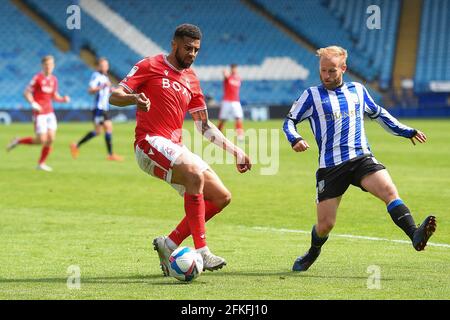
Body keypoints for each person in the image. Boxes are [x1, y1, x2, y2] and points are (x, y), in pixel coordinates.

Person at [109, 24, 251, 274]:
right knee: (195, 174)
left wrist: (235, 151)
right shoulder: (148, 65)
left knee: (221, 197)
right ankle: (203, 251)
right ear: (174, 44)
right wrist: (133, 99)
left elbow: (205, 126)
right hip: (149, 143)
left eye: (196, 50)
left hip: (174, 146)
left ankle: (170, 243)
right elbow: (115, 95)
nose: (192, 54)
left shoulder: (192, 80)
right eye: (188, 48)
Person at [282, 46, 437, 272]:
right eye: (323, 70)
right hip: (331, 167)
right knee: (326, 225)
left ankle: (415, 234)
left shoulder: (358, 91)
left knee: (389, 191)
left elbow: (379, 114)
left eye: (332, 71)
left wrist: (407, 131)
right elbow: (289, 121)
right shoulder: (311, 96)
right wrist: (294, 138)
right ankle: (312, 253)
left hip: (360, 158)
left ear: (343, 68)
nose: (326, 76)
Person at [7, 55, 70, 171]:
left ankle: (41, 163)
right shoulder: (37, 78)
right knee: (41, 140)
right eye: (46, 65)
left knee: (51, 139)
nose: (49, 67)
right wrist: (33, 103)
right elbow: (26, 92)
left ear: (54, 66)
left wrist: (63, 99)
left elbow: (54, 95)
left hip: (50, 112)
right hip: (40, 113)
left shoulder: (54, 79)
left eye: (51, 64)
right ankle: (18, 141)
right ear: (43, 66)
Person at [70, 58, 123, 161]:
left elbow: (107, 89)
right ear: (98, 66)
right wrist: (103, 86)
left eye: (106, 65)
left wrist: (112, 89)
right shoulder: (96, 76)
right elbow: (90, 90)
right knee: (108, 127)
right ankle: (110, 154)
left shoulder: (105, 77)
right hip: (99, 108)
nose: (105, 67)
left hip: (104, 108)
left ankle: (76, 145)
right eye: (103, 66)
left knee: (98, 131)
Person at [217, 64, 244, 141]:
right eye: (233, 68)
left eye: (235, 68)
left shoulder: (238, 78)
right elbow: (225, 76)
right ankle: (217, 134)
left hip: (236, 101)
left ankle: (240, 135)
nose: (234, 70)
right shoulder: (228, 77)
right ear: (231, 69)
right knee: (223, 119)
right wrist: (225, 73)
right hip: (227, 101)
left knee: (238, 118)